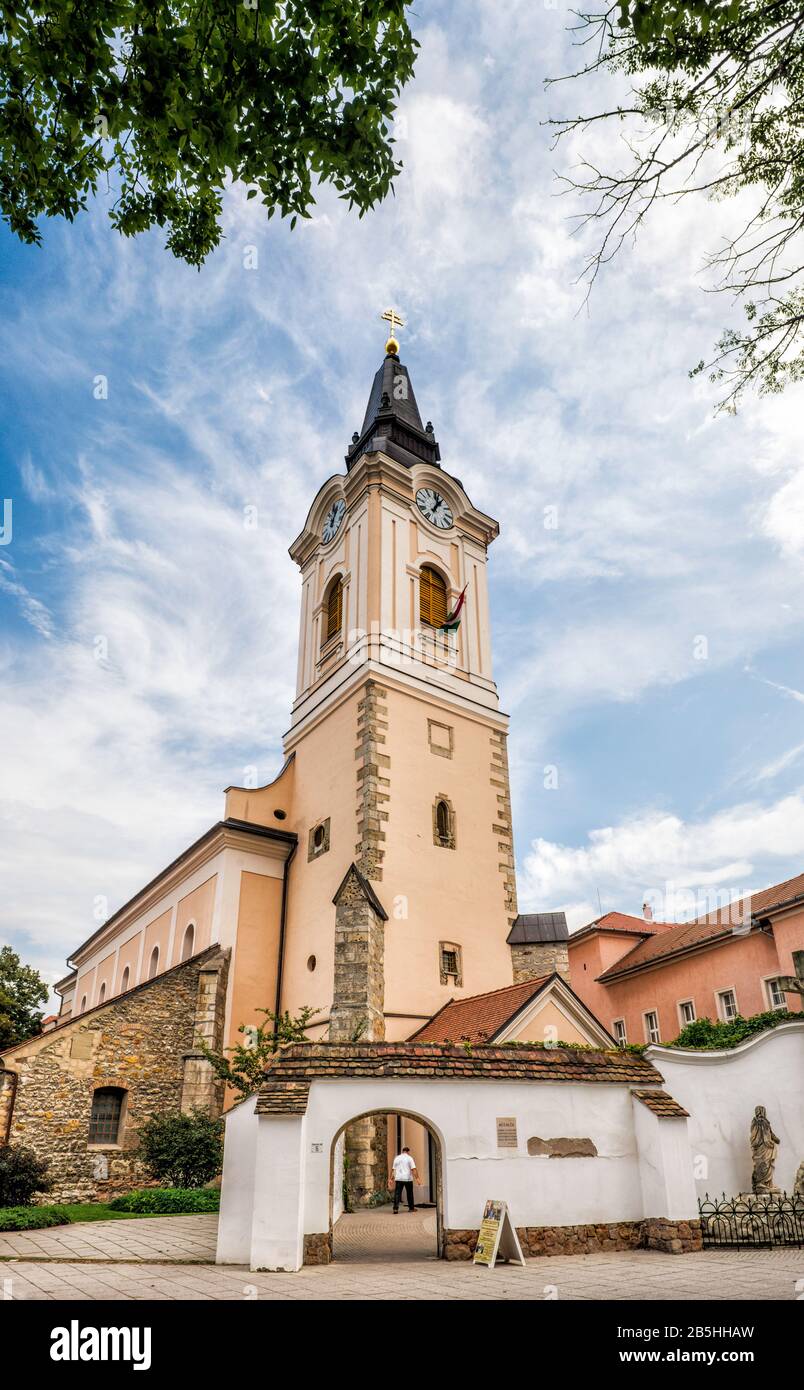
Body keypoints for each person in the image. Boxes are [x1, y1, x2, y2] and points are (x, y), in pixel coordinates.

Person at [389, 1146, 419, 1213]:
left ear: (402, 1151)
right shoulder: (409, 1158)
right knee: (409, 1194)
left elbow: (393, 1169)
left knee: (397, 1194)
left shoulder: (397, 1158)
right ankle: (411, 1208)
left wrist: (391, 1179)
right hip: (407, 1179)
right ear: (408, 1152)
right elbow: (413, 1169)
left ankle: (395, 1209)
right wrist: (417, 1178)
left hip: (398, 1178)